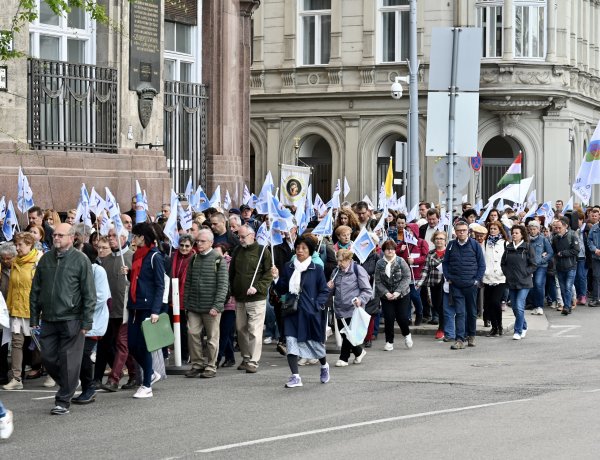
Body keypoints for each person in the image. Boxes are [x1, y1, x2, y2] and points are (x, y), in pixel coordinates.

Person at [29, 223, 96, 415]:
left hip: (72, 319)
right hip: (48, 319)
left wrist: (86, 322)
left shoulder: (81, 260)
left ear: (72, 237)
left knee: (68, 360)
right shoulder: (45, 260)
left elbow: (89, 294)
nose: (55, 237)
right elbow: (35, 291)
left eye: (60, 235)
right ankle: (70, 383)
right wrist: (34, 317)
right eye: (54, 234)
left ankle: (63, 401)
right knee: (48, 358)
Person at [272, 235, 331, 388]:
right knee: (291, 342)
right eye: (298, 248)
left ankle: (324, 366)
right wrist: (277, 278)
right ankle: (295, 376)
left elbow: (324, 291)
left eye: (304, 248)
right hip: (292, 311)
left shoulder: (316, 268)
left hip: (310, 313)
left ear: (310, 251)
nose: (300, 251)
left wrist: (317, 306)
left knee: (315, 344)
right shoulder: (288, 267)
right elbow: (282, 288)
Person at [124, 223, 165, 398]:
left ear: (143, 237)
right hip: (134, 305)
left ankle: (146, 385)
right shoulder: (135, 256)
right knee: (132, 344)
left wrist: (156, 310)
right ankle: (150, 372)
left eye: (136, 236)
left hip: (148, 307)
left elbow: (159, 285)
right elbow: (138, 280)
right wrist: (128, 274)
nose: (133, 239)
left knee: (144, 345)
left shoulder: (155, 256)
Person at [183, 229, 229, 378]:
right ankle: (197, 364)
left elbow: (223, 285)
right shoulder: (194, 259)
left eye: (202, 241)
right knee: (193, 334)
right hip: (194, 307)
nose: (199, 244)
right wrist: (187, 303)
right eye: (198, 241)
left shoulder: (218, 259)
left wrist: (217, 306)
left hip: (211, 308)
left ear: (210, 242)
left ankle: (211, 365)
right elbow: (188, 283)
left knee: (212, 338)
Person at [94, 229, 136, 391]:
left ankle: (114, 379)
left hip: (126, 308)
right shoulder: (106, 260)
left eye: (114, 236)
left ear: (124, 238)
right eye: (109, 236)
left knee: (121, 343)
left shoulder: (132, 257)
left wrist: (131, 274)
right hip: (109, 309)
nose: (111, 239)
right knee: (121, 344)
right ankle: (134, 374)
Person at [229, 225, 273, 373]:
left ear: (252, 235)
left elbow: (268, 274)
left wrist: (258, 287)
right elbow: (232, 272)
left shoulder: (262, 251)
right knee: (241, 329)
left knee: (254, 329)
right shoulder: (237, 251)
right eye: (239, 237)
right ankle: (246, 357)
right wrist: (231, 290)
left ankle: (253, 361)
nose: (240, 240)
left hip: (256, 297)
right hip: (240, 297)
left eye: (243, 237)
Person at [72, 244, 109, 404]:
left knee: (83, 354)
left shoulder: (97, 270)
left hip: (92, 320)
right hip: (75, 319)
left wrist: (81, 308)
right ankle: (82, 386)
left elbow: (100, 297)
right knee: (75, 354)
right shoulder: (77, 270)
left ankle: (89, 388)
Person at [3, 233, 39, 390]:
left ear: (29, 244)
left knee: (41, 345)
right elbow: (12, 287)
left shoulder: (37, 262)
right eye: (16, 245)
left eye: (20, 245)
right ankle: (17, 378)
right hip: (17, 309)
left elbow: (40, 289)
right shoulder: (15, 262)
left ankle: (57, 373)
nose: (17, 248)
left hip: (33, 311)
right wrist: (9, 308)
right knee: (17, 344)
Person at [442, 220, 486, 350]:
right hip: (456, 285)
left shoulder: (475, 245)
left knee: (472, 312)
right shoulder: (451, 245)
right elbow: (445, 263)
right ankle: (459, 339)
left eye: (464, 230)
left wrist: (477, 280)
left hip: (471, 285)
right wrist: (448, 277)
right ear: (455, 232)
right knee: (460, 313)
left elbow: (481, 264)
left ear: (468, 231)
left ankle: (471, 336)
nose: (461, 233)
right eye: (459, 230)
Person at [328, 249, 372, 366]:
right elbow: (332, 292)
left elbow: (367, 290)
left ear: (349, 260)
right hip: (339, 308)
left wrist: (360, 299)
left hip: (352, 308)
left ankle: (343, 358)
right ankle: (359, 352)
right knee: (345, 334)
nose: (339, 264)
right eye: (338, 261)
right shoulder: (336, 272)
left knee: (348, 334)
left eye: (342, 261)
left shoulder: (358, 270)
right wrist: (329, 287)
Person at [374, 240, 412, 351]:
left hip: (402, 294)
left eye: (392, 249)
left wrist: (398, 292)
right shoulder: (380, 263)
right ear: (384, 250)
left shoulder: (401, 261)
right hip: (386, 295)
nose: (390, 251)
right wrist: (386, 293)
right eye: (387, 249)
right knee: (389, 318)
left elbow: (407, 277)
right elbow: (378, 280)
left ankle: (407, 334)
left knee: (402, 317)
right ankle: (389, 342)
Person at [501, 225, 537, 340]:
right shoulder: (508, 247)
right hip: (511, 281)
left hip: (524, 282)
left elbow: (533, 264)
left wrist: (525, 272)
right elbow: (503, 263)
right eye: (513, 233)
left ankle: (518, 331)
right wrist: (507, 273)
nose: (514, 235)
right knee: (515, 308)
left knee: (520, 305)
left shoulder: (527, 247)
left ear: (522, 234)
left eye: (516, 233)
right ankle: (524, 325)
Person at [165, 233, 194, 363]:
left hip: (186, 299)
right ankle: (173, 353)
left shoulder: (194, 258)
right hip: (172, 298)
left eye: (187, 246)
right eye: (181, 245)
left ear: (192, 246)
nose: (184, 248)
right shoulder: (172, 257)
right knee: (171, 327)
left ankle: (185, 354)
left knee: (182, 329)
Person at [417, 231, 448, 340]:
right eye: (437, 238)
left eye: (441, 239)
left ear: (445, 241)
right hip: (434, 283)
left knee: (444, 306)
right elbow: (425, 269)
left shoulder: (449, 252)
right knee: (436, 305)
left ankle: (442, 328)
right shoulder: (430, 254)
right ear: (434, 240)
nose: (439, 240)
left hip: (447, 283)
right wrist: (419, 283)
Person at [483, 222, 507, 337]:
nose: (492, 231)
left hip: (500, 277)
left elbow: (507, 260)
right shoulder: (485, 243)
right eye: (491, 229)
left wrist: (504, 271)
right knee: (489, 303)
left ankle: (499, 325)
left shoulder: (504, 243)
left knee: (495, 301)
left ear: (500, 230)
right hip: (488, 277)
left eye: (495, 229)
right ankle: (494, 327)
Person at [552, 217, 580, 315]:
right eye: (556, 228)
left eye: (560, 228)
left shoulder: (572, 236)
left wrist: (563, 253)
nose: (558, 230)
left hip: (571, 266)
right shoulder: (555, 238)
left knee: (568, 287)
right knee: (563, 288)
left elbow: (576, 250)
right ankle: (567, 305)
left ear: (565, 226)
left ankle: (567, 307)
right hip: (560, 267)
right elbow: (554, 251)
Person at [527, 220, 554, 315]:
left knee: (539, 284)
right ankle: (533, 305)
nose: (533, 231)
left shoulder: (543, 239)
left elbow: (550, 252)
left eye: (534, 229)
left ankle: (539, 306)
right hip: (530, 266)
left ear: (538, 230)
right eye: (531, 229)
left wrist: (543, 260)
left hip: (541, 266)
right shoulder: (526, 240)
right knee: (531, 286)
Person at [0, 243, 16, 385]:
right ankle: (3, 373)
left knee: (19, 343)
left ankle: (18, 372)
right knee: (2, 344)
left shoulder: (18, 268)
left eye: (8, 258)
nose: (5, 261)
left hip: (17, 309)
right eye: (2, 258)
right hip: (2, 310)